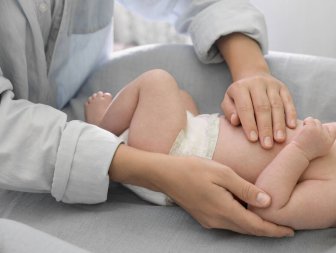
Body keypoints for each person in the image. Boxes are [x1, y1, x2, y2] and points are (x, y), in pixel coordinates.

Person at [0, 1, 296, 236]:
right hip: (49, 151)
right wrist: (156, 171)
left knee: (167, 86)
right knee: (161, 81)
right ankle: (105, 130)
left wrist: (251, 69)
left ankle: (106, 129)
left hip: (148, 148)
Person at [85, 69, 336, 248]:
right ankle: (121, 130)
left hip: (179, 161)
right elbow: (319, 138)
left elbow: (268, 205)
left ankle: (99, 131)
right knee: (180, 97)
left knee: (156, 82)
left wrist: (302, 150)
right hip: (195, 134)